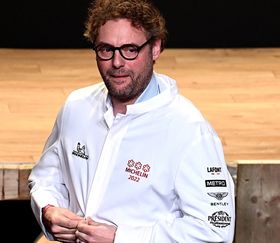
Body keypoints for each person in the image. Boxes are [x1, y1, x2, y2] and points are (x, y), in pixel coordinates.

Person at [28, 0, 236, 242]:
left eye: (130, 49)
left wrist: (122, 238)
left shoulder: (190, 131)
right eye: (106, 49)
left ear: (155, 48)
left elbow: (215, 231)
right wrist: (48, 209)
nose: (117, 63)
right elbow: (47, 176)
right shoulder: (76, 107)